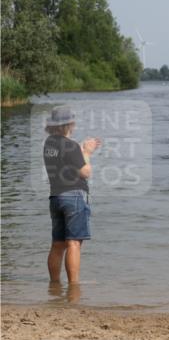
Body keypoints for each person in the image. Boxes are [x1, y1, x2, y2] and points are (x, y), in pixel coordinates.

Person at [43, 106, 102, 285]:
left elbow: (66, 163)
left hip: (55, 197)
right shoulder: (71, 145)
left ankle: (54, 285)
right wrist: (87, 153)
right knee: (74, 243)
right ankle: (74, 286)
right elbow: (85, 172)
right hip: (74, 196)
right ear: (69, 124)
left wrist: (80, 150)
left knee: (57, 245)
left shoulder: (49, 143)